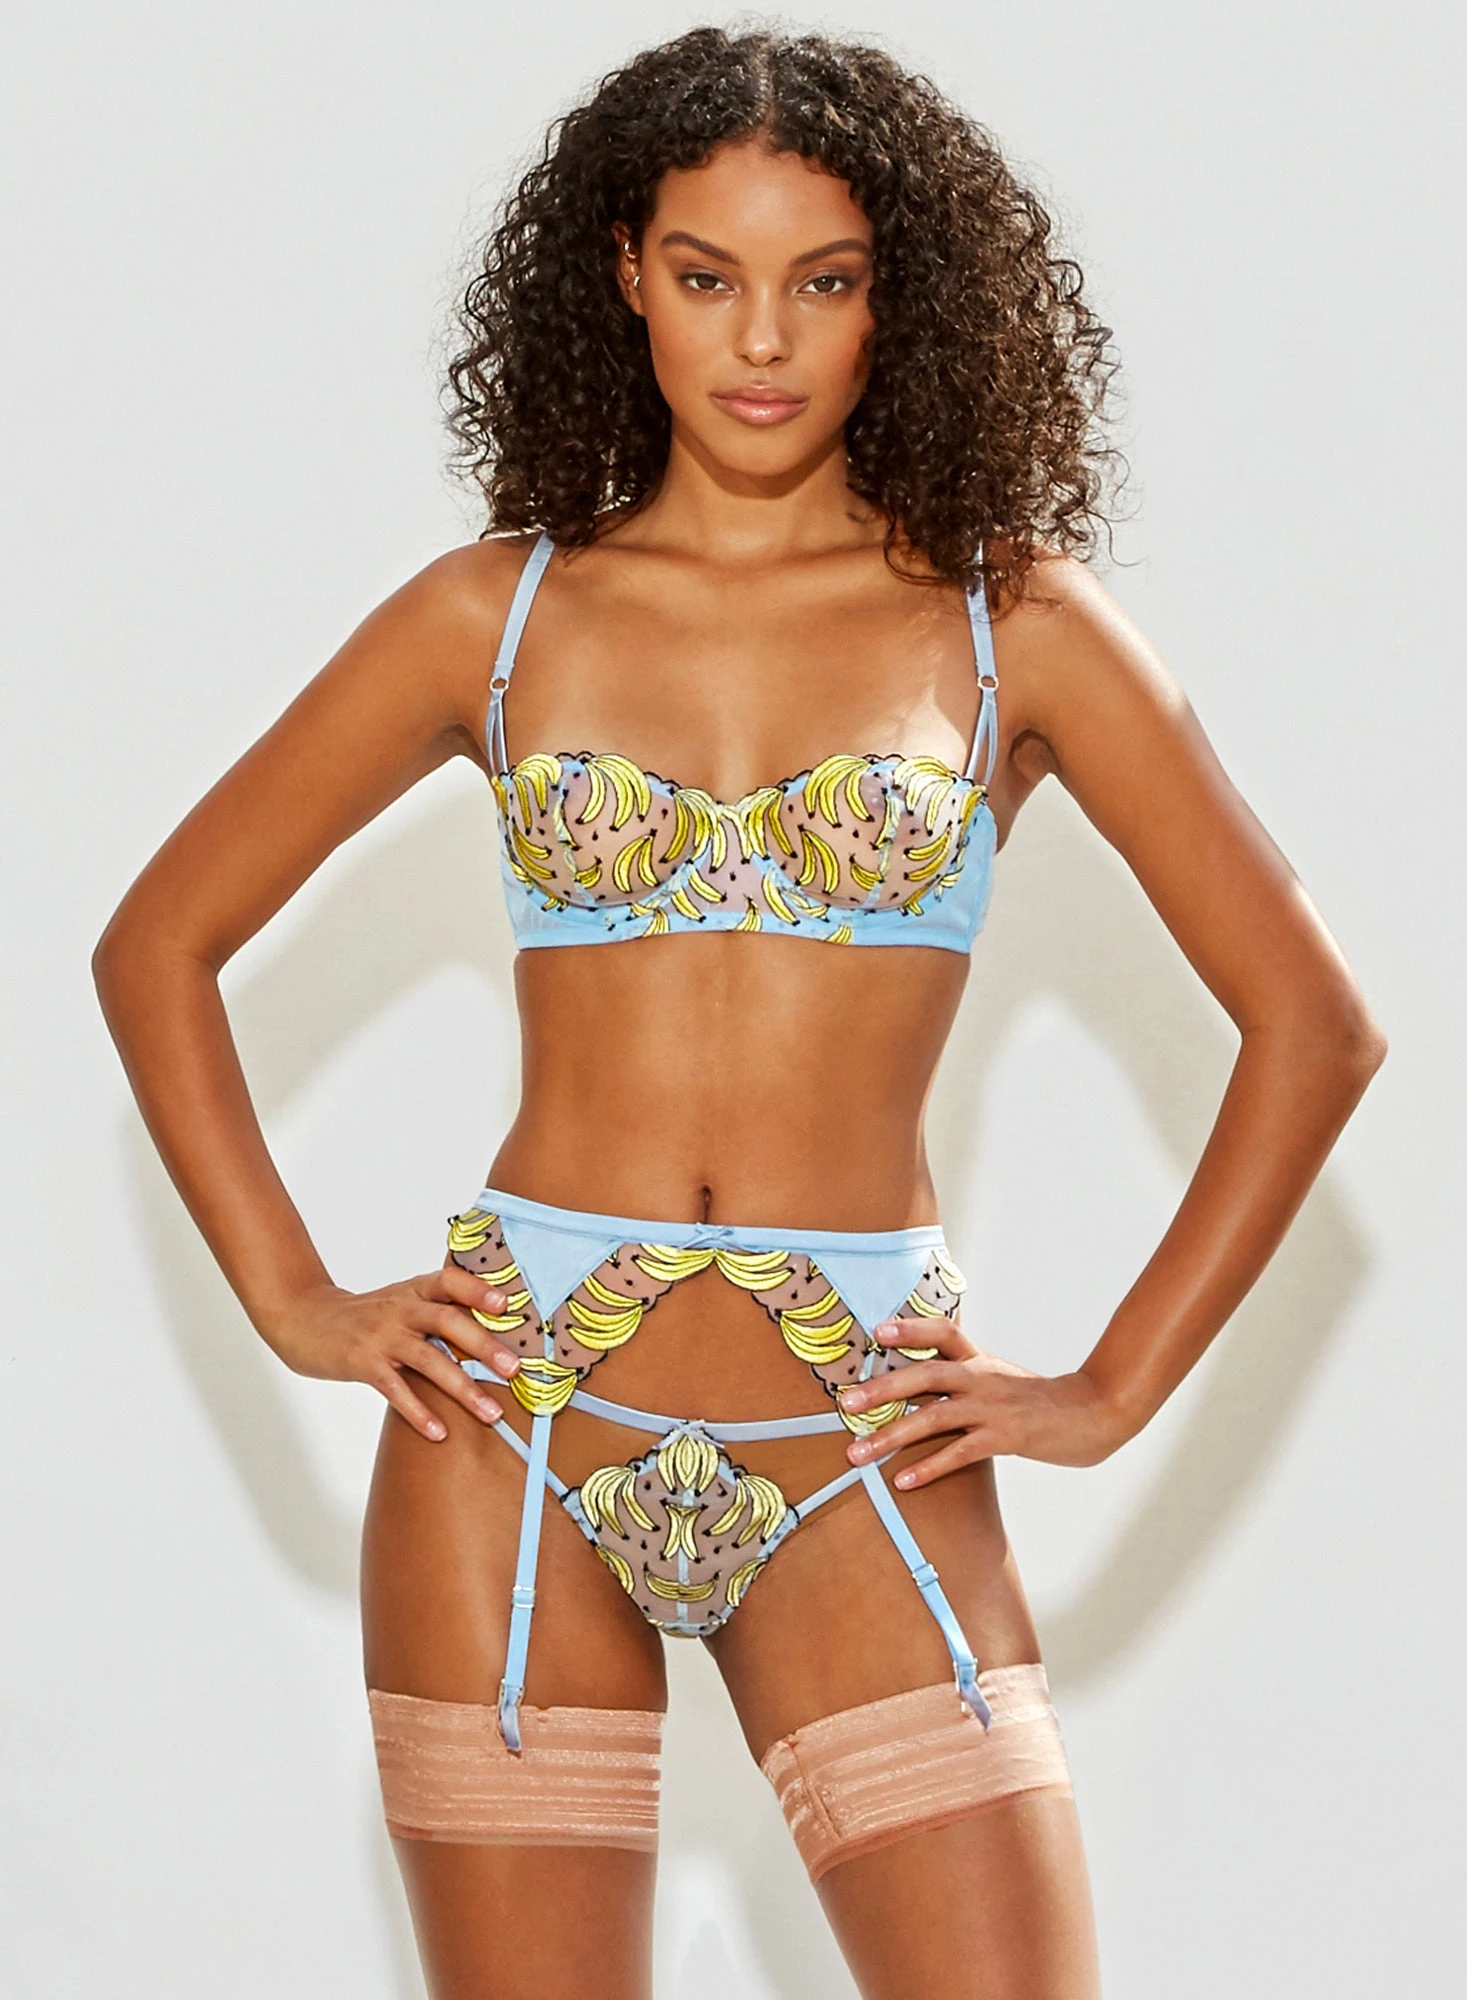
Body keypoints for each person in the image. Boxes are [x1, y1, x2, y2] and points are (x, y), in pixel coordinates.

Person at [93, 25, 1385, 2000]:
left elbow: (1313, 1020)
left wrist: (1110, 1387)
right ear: (625, 272)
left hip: (857, 1431)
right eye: (708, 275)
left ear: (895, 297)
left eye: (823, 280)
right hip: (512, 1424)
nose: (761, 339)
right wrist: (293, 1297)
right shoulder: (495, 617)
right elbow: (158, 940)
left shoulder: (1011, 626)